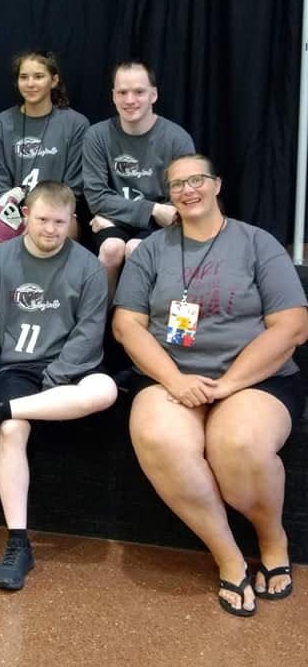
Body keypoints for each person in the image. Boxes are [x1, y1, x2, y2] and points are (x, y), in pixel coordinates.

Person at [112, 154, 308, 617]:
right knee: (160, 437)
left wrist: (229, 384)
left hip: (253, 380)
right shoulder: (154, 250)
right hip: (171, 377)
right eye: (176, 185)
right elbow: (127, 326)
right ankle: (229, 557)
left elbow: (292, 328)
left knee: (236, 444)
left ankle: (271, 538)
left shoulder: (258, 244)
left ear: (217, 185)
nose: (187, 190)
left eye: (196, 179)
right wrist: (175, 380)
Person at [0, 181, 117, 590]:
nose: (50, 230)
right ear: (26, 216)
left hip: (71, 369)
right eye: (42, 219)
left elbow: (88, 333)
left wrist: (54, 381)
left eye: (59, 222)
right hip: (18, 368)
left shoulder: (87, 267)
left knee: (107, 392)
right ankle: (17, 542)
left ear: (72, 222)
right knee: (12, 432)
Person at [82, 60, 194, 297]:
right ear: (113, 96)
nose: (129, 100)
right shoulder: (97, 136)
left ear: (153, 95)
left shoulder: (177, 139)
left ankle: (137, 322)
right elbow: (96, 198)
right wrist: (153, 209)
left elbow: (183, 203)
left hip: (154, 226)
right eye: (122, 92)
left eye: (139, 92)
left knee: (137, 248)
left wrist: (115, 213)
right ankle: (100, 323)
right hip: (129, 221)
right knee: (112, 249)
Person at [0, 50, 88, 255]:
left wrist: (40, 219)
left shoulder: (76, 124)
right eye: (24, 77)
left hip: (57, 211)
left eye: (39, 76)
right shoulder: (1, 124)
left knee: (57, 236)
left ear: (54, 80)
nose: (30, 83)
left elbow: (74, 186)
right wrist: (23, 218)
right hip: (14, 210)